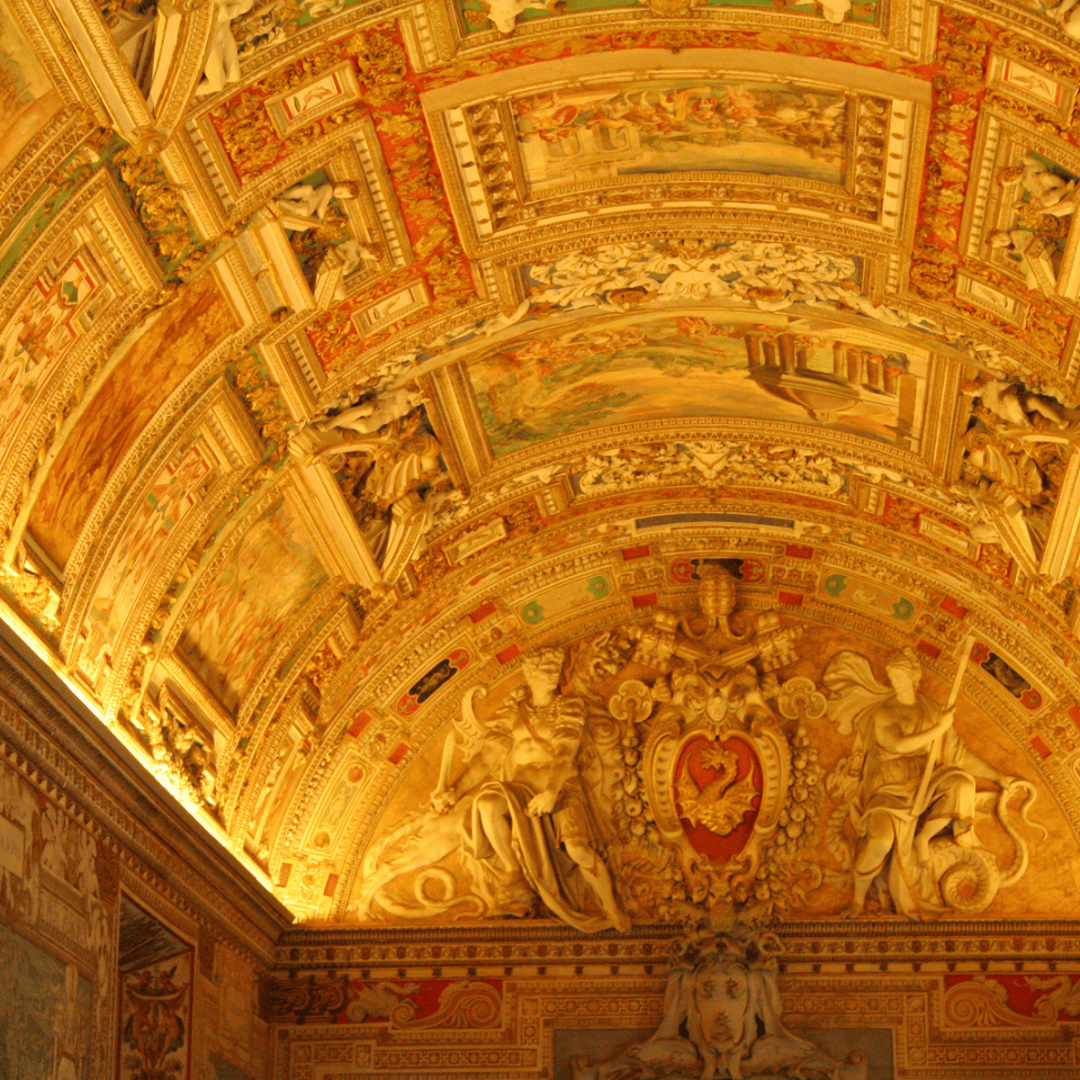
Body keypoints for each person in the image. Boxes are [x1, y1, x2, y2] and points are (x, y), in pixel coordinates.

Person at [436, 647, 631, 932]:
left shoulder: (569, 706)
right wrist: (455, 792)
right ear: (529, 674)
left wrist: (551, 792)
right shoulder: (513, 711)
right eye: (545, 669)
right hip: (520, 789)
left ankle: (611, 907)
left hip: (561, 788)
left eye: (556, 668)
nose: (553, 673)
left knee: (578, 850)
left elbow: (565, 753)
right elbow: (486, 759)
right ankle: (513, 869)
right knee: (487, 804)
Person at [824, 647, 1013, 918]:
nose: (895, 682)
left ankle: (923, 838)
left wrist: (997, 776)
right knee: (881, 841)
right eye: (892, 677)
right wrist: (938, 729)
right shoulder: (885, 713)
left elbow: (960, 755)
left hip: (926, 780)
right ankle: (858, 899)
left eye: (900, 677)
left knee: (962, 783)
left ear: (914, 677)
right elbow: (897, 745)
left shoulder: (932, 710)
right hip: (889, 788)